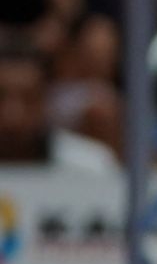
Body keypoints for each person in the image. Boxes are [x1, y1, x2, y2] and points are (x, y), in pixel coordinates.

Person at [0, 40, 115, 173]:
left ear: (48, 100)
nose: (13, 116)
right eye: (1, 98)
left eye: (29, 99)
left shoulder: (92, 165)